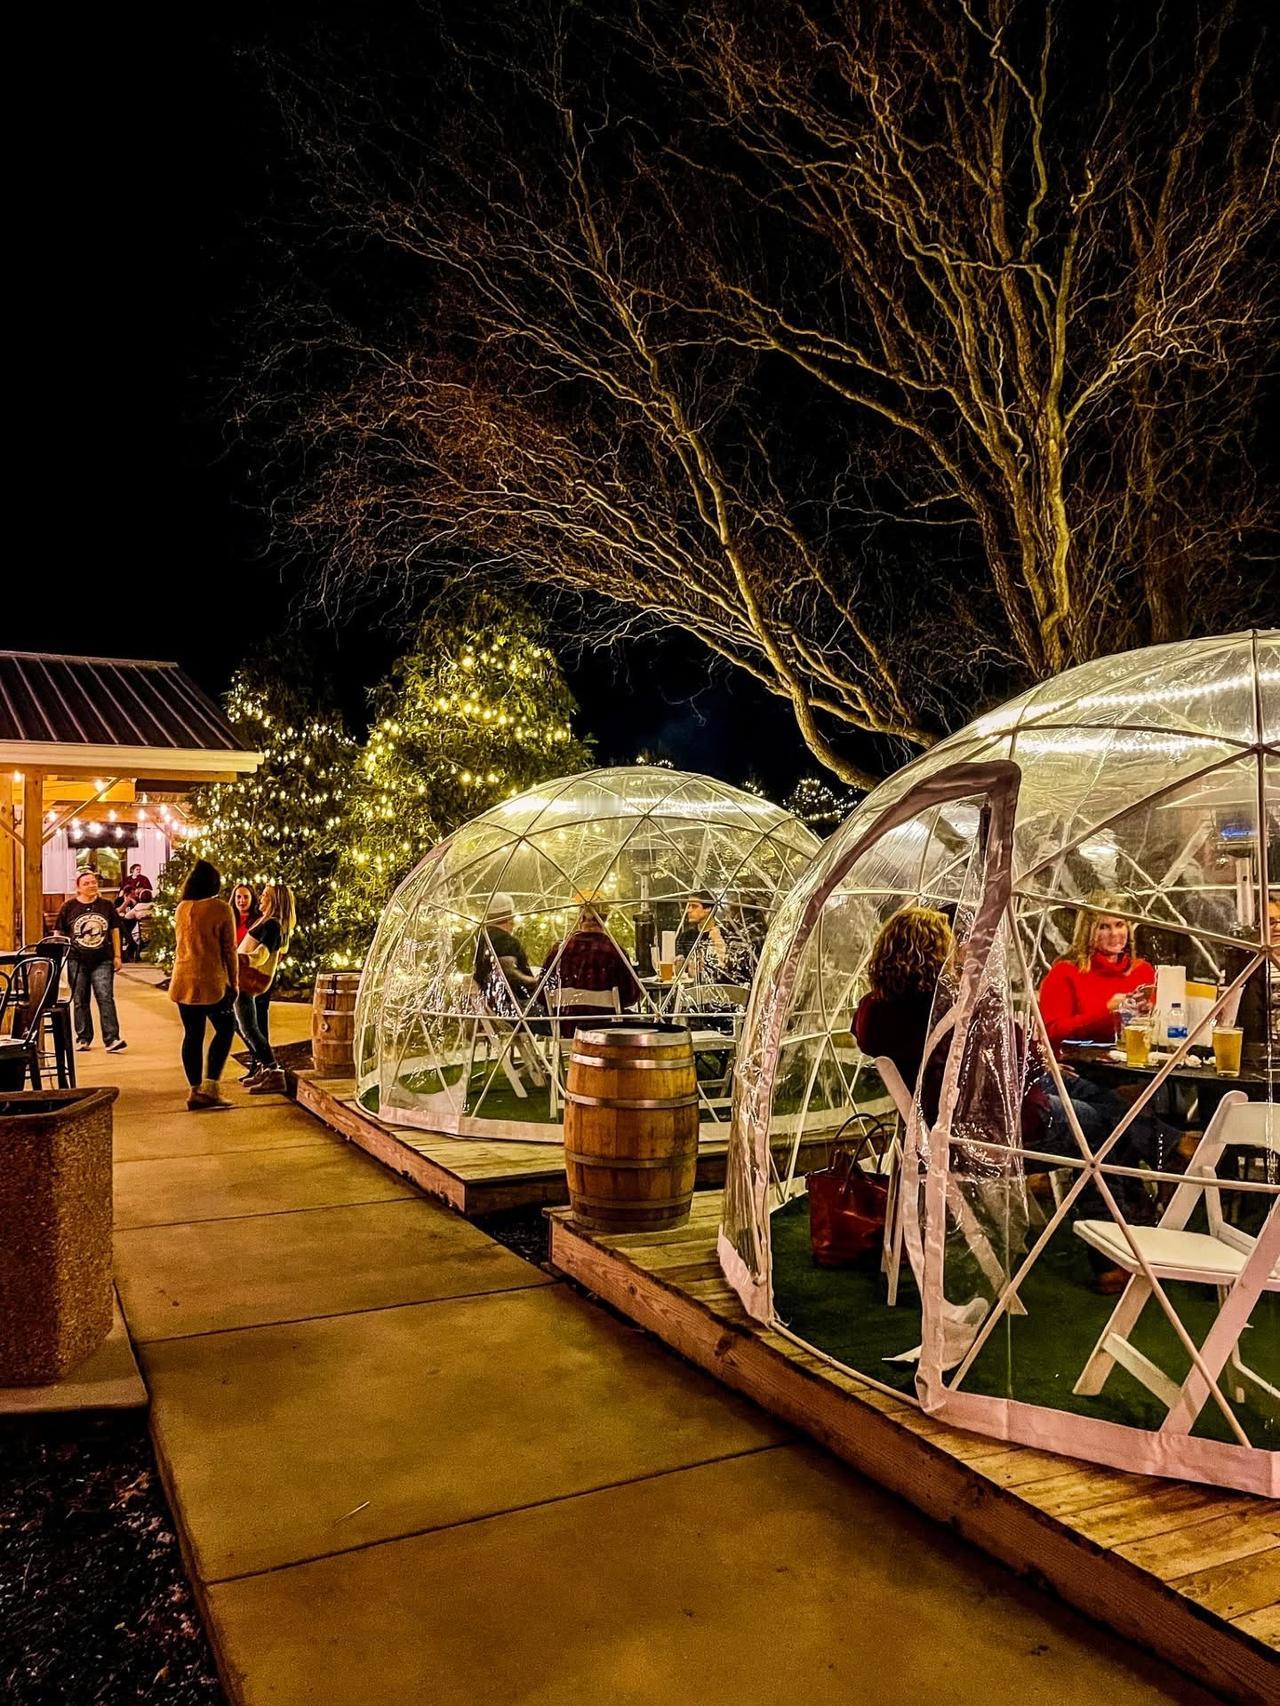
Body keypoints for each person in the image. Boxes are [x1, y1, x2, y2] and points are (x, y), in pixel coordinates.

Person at [1038, 895, 1155, 1057]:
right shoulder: (1065, 972)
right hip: (1079, 1064)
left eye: (1119, 924)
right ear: (1088, 932)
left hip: (1134, 1060)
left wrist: (1149, 1014)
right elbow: (1051, 1033)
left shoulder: (1142, 971)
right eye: (1103, 927)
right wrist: (1107, 1012)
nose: (1114, 933)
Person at [168, 859, 239, 1110]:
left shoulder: (182, 908)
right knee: (226, 1028)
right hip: (211, 981)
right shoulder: (221, 908)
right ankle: (211, 1086)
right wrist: (234, 982)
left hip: (182, 980)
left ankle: (195, 1090)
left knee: (193, 1034)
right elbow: (229, 949)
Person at [235, 884, 297, 1095]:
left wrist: (237, 959)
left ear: (275, 901)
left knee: (249, 1028)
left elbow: (262, 955)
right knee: (245, 1026)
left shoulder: (272, 925)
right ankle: (265, 1068)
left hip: (248, 979)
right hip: (244, 977)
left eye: (265, 895)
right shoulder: (267, 922)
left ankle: (273, 1071)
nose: (260, 898)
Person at [55, 871, 127, 1053]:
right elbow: (59, 932)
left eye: (94, 882)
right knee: (80, 999)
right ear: (78, 888)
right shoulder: (68, 907)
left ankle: (112, 1038)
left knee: (105, 997)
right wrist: (60, 955)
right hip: (76, 960)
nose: (91, 886)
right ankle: (83, 1038)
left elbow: (115, 930)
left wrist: (117, 956)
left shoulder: (106, 906)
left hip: (102, 959)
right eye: (86, 883)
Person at [543, 897, 642, 1027]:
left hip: (565, 1028)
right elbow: (631, 996)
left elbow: (542, 995)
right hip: (605, 1029)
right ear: (604, 920)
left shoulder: (558, 951)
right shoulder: (614, 951)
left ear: (580, 919)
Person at [474, 894, 539, 1012]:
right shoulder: (505, 940)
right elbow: (509, 974)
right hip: (514, 1007)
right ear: (510, 918)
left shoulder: (482, 938)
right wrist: (536, 981)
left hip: (489, 1004)